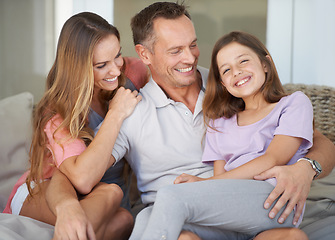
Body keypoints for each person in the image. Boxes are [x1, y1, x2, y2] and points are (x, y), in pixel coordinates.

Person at [47, 2, 335, 240]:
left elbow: (315, 141)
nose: (190, 57)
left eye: (193, 45)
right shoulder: (129, 110)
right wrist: (67, 204)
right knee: (164, 221)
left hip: (243, 204)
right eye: (175, 51)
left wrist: (306, 168)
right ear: (144, 54)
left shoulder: (231, 83)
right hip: (181, 225)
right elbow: (74, 174)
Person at [139, 31, 313, 240]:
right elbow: (220, 179)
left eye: (243, 61)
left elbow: (273, 159)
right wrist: (212, 185)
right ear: (223, 83)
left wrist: (202, 185)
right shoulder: (219, 122)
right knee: (149, 213)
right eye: (227, 70)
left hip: (275, 199)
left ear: (265, 64)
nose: (237, 72)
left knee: (170, 196)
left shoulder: (292, 104)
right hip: (233, 210)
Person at [2, 12, 142, 240]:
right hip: (50, 191)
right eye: (101, 65)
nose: (116, 71)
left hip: (107, 204)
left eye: (117, 56)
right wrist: (116, 114)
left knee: (125, 219)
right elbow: (83, 180)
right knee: (112, 192)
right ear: (78, 68)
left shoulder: (131, 73)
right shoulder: (58, 113)